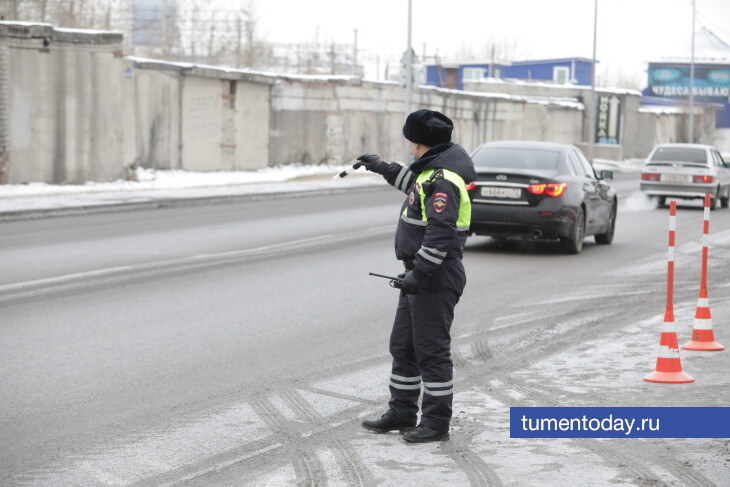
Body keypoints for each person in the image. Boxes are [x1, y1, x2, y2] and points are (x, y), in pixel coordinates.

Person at [358, 109, 476, 443]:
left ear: (419, 143)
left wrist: (419, 275)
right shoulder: (433, 173)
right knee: (404, 347)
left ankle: (436, 423)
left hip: (435, 276)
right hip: (420, 274)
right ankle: (402, 412)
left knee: (430, 351)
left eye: (411, 141)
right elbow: (412, 184)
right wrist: (382, 167)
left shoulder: (443, 182)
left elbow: (440, 237)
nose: (409, 147)